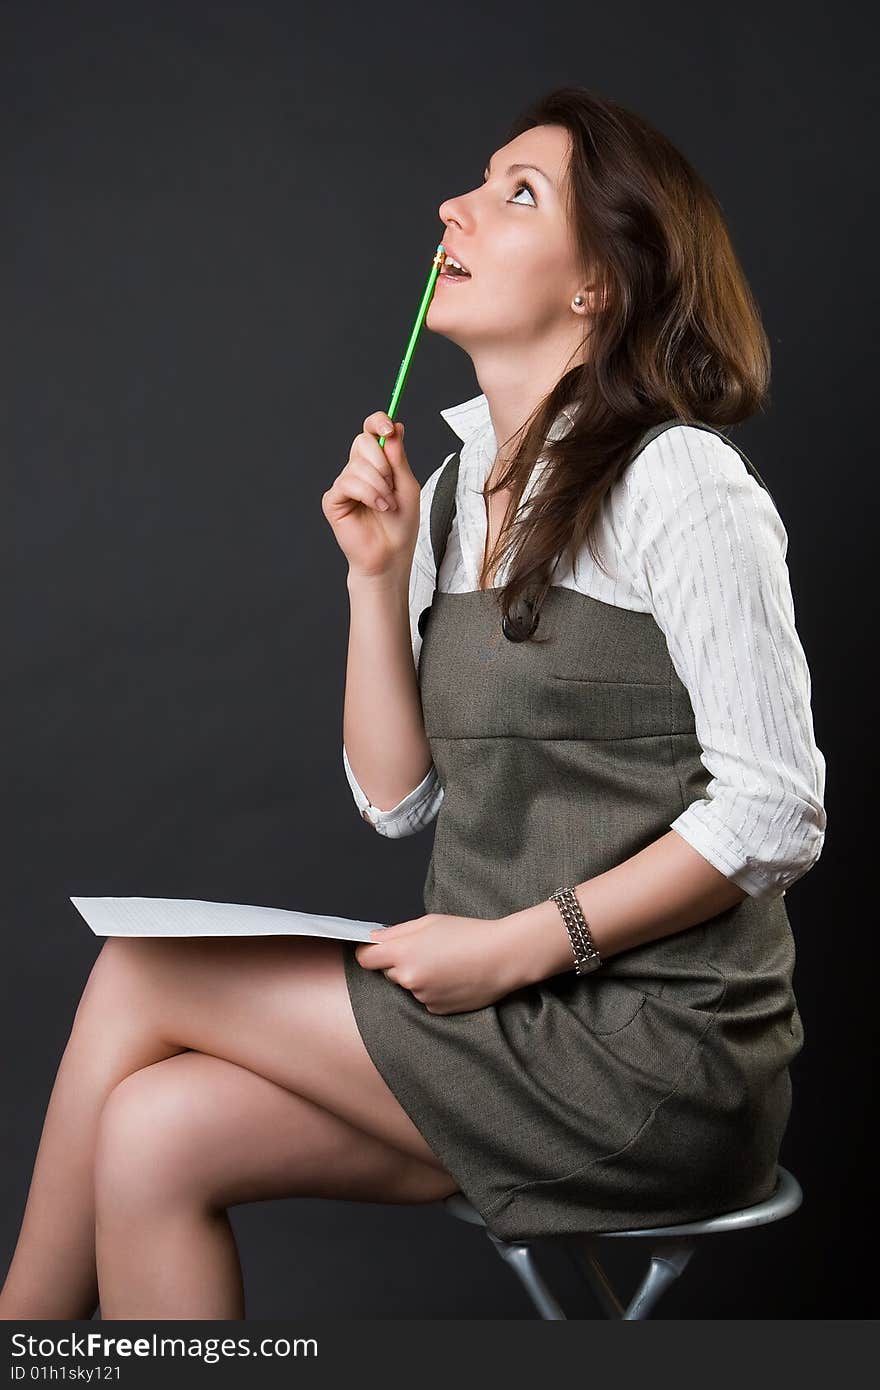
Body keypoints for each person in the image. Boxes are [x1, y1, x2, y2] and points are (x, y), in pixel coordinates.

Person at [0, 86, 825, 1321]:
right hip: (501, 1037)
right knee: (152, 1134)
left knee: (138, 974)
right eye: (476, 181)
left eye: (516, 192)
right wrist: (373, 579)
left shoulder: (680, 483)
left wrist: (513, 944)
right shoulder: (443, 497)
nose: (454, 204)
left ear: (595, 284)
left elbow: (775, 808)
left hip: (652, 1057)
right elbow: (398, 802)